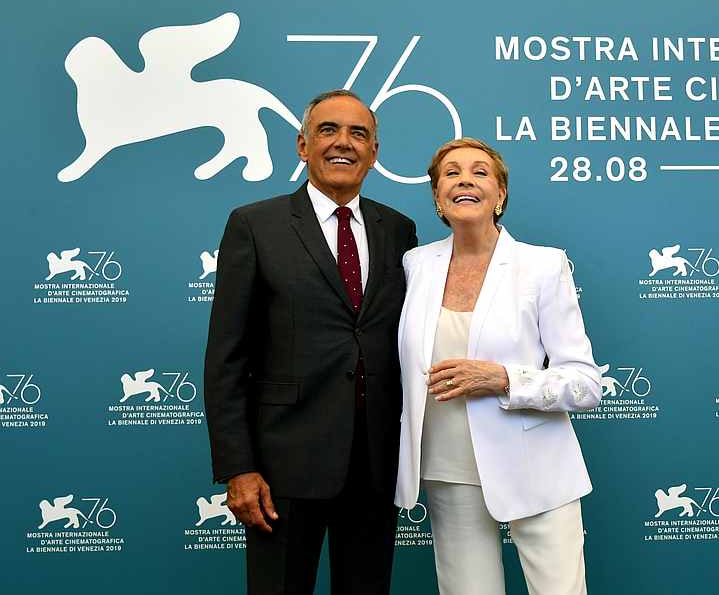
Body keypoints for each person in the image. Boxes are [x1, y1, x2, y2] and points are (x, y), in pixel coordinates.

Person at [204, 89, 417, 595]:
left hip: (374, 465)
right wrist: (239, 467)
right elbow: (226, 356)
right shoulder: (254, 225)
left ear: (374, 152)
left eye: (358, 133)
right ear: (302, 145)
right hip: (282, 469)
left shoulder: (399, 230)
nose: (343, 143)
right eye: (328, 130)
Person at [395, 138, 602, 595]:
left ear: (500, 194)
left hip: (537, 467)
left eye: (479, 172)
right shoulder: (414, 265)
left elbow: (587, 384)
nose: (464, 179)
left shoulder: (543, 265)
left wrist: (505, 378)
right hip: (446, 468)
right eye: (451, 173)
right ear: (437, 196)